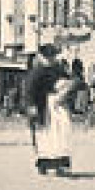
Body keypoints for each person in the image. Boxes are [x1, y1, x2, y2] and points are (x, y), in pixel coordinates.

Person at [25, 45, 68, 175]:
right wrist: (32, 106)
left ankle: (60, 164)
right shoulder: (36, 72)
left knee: (60, 134)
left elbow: (70, 81)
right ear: (43, 57)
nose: (51, 59)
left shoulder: (58, 69)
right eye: (49, 56)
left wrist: (66, 89)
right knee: (44, 136)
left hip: (57, 105)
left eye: (53, 56)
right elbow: (30, 90)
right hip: (42, 106)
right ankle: (43, 163)